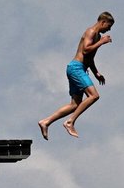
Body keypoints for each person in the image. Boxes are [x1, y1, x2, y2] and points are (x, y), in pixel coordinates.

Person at [38, 11, 114, 140]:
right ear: (103, 22)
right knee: (94, 96)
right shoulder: (91, 32)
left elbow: (89, 57)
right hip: (76, 68)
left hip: (79, 69)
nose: (109, 29)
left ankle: (46, 122)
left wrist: (96, 73)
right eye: (109, 26)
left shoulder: (96, 36)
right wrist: (101, 42)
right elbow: (85, 49)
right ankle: (70, 121)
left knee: (75, 104)